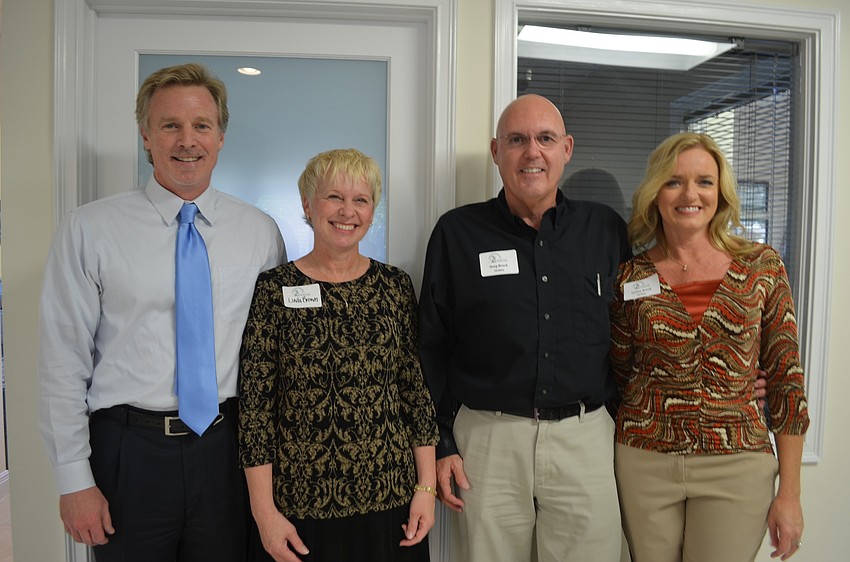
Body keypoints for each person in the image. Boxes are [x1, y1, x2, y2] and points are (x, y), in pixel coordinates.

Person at [38, 63, 286, 561]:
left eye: (201, 125)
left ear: (220, 137)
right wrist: (73, 479)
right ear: (146, 136)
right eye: (170, 125)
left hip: (228, 450)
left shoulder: (260, 232)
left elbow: (273, 356)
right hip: (128, 453)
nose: (187, 140)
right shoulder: (89, 229)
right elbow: (62, 360)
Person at [418, 94, 629, 562]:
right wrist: (441, 442)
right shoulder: (456, 234)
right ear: (496, 151)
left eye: (545, 139)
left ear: (566, 149)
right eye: (516, 140)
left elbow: (638, 331)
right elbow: (431, 346)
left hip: (585, 437)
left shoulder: (606, 231)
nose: (532, 152)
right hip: (488, 441)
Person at [610, 132, 809, 562]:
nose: (690, 195)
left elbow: (787, 382)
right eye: (674, 181)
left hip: (737, 463)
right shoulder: (629, 277)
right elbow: (622, 372)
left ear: (721, 193)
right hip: (644, 461)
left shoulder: (762, 267)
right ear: (655, 193)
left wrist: (790, 493)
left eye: (704, 181)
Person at [239, 148, 439, 562]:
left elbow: (415, 394)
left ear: (372, 210)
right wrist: (264, 513)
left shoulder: (395, 287)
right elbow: (256, 410)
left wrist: (426, 488)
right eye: (334, 197)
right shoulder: (274, 290)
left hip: (391, 505)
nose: (348, 211)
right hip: (300, 511)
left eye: (360, 199)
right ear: (308, 205)